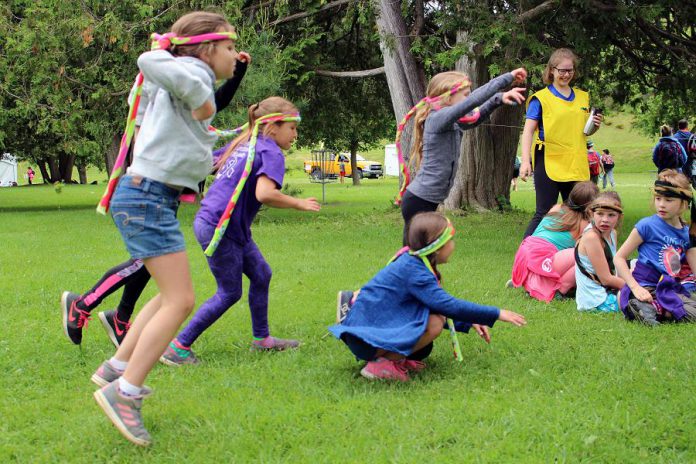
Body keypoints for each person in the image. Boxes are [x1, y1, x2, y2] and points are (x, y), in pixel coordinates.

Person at [88, 12, 240, 446]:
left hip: (151, 197)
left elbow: (192, 128)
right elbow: (148, 59)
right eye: (230, 48)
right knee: (181, 299)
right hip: (146, 196)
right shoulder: (190, 72)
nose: (234, 56)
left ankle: (116, 368)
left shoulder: (183, 77)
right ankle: (125, 392)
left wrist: (220, 127)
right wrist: (200, 92)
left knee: (168, 296)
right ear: (207, 49)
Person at [61, 51, 252, 348]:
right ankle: (83, 304)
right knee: (146, 263)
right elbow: (202, 102)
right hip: (146, 190)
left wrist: (236, 73)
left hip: (162, 193)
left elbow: (211, 105)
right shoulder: (160, 90)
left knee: (151, 264)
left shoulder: (173, 91)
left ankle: (119, 317)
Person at [160, 97, 320, 365]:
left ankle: (262, 340)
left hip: (222, 225)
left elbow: (208, 163)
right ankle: (178, 347)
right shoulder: (269, 152)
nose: (296, 134)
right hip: (220, 229)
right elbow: (265, 193)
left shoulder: (244, 145)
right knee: (229, 292)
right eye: (292, 128)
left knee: (261, 274)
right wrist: (298, 203)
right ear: (273, 127)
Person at [329, 212, 526, 382]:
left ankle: (394, 359)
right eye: (451, 241)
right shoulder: (415, 271)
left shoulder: (413, 261)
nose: (454, 246)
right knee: (435, 323)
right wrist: (497, 313)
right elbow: (447, 306)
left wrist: (469, 321)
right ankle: (382, 365)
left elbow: (435, 304)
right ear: (437, 247)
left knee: (431, 327)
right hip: (365, 339)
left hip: (368, 335)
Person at [396, 68, 527, 243]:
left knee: (421, 253)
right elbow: (474, 101)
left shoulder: (451, 121)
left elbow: (475, 118)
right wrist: (508, 78)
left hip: (425, 201)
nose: (468, 98)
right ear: (448, 98)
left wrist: (498, 99)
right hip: (419, 202)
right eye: (465, 94)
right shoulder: (437, 119)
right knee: (418, 254)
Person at [519, 48, 603, 238]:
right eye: (562, 70)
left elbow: (581, 131)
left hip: (576, 162)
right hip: (549, 161)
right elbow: (528, 131)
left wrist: (594, 126)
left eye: (570, 70)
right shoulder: (540, 99)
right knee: (544, 212)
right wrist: (525, 161)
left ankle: (582, 256)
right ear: (551, 71)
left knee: (580, 211)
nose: (566, 74)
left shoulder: (583, 97)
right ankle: (525, 254)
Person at [614, 169, 696, 325]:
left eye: (669, 200)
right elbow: (619, 258)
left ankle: (656, 309)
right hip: (645, 285)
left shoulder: (687, 233)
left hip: (669, 287)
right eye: (658, 198)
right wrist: (635, 287)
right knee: (649, 300)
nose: (661, 204)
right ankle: (640, 304)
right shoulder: (647, 225)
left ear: (684, 203)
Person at [510, 181, 599, 302]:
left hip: (524, 253)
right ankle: (561, 289)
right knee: (585, 254)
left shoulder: (556, 208)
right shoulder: (584, 226)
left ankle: (531, 280)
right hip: (542, 257)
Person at [574, 192, 624, 312]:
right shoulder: (591, 237)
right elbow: (606, 279)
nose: (605, 220)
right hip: (597, 300)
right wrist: (636, 286)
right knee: (649, 301)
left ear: (619, 216)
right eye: (600, 214)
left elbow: (614, 266)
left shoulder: (612, 233)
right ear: (592, 214)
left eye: (611, 215)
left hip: (609, 289)